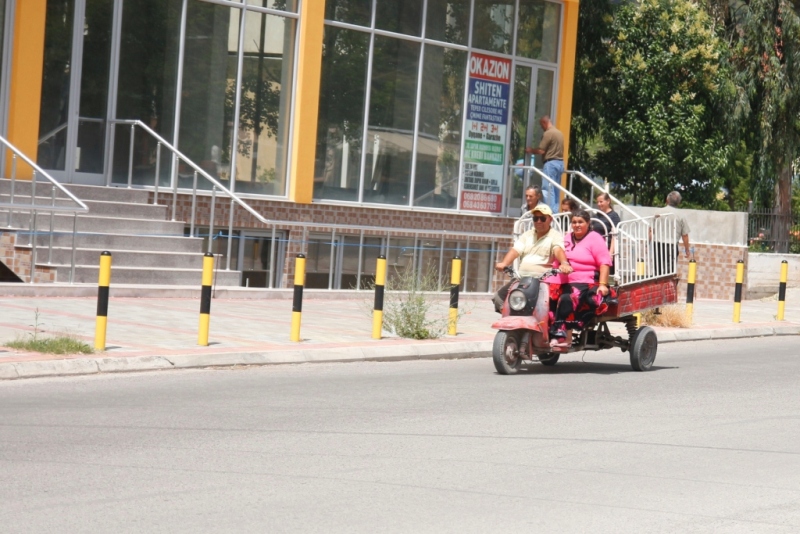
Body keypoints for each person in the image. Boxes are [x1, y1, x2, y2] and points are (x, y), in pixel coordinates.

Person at [545, 209, 613, 348]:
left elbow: (604, 263)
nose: (577, 225)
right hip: (564, 279)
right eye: (574, 222)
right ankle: (546, 333)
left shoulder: (595, 238)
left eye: (580, 222)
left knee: (568, 298)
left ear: (588, 223)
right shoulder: (566, 238)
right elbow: (558, 259)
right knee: (546, 297)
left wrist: (602, 284)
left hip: (586, 280)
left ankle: (564, 336)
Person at [493, 205, 572, 313]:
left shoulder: (555, 236)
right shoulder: (527, 235)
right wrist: (504, 263)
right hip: (521, 278)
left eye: (542, 218)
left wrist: (564, 263)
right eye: (535, 218)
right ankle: (512, 318)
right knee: (499, 298)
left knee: (542, 307)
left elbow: (558, 250)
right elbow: (515, 250)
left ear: (550, 219)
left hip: (542, 281)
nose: (538, 221)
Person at [526, 116, 564, 214]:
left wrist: (530, 150)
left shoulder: (548, 133)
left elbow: (541, 150)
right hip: (560, 163)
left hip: (550, 164)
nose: (541, 127)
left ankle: (549, 213)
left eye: (541, 125)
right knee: (555, 190)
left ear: (544, 122)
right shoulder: (559, 133)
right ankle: (555, 213)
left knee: (547, 189)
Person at [654, 191, 690, 275]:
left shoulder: (658, 213)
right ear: (679, 202)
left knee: (657, 270)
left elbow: (651, 230)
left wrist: (647, 245)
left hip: (657, 245)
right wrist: (687, 249)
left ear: (667, 200)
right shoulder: (681, 215)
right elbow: (685, 235)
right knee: (669, 271)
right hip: (671, 246)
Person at [590, 192, 621, 273]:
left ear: (608, 201)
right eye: (598, 202)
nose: (599, 204)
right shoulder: (596, 215)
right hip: (596, 249)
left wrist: (610, 253)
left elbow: (615, 236)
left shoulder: (614, 216)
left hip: (607, 248)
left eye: (601, 201)